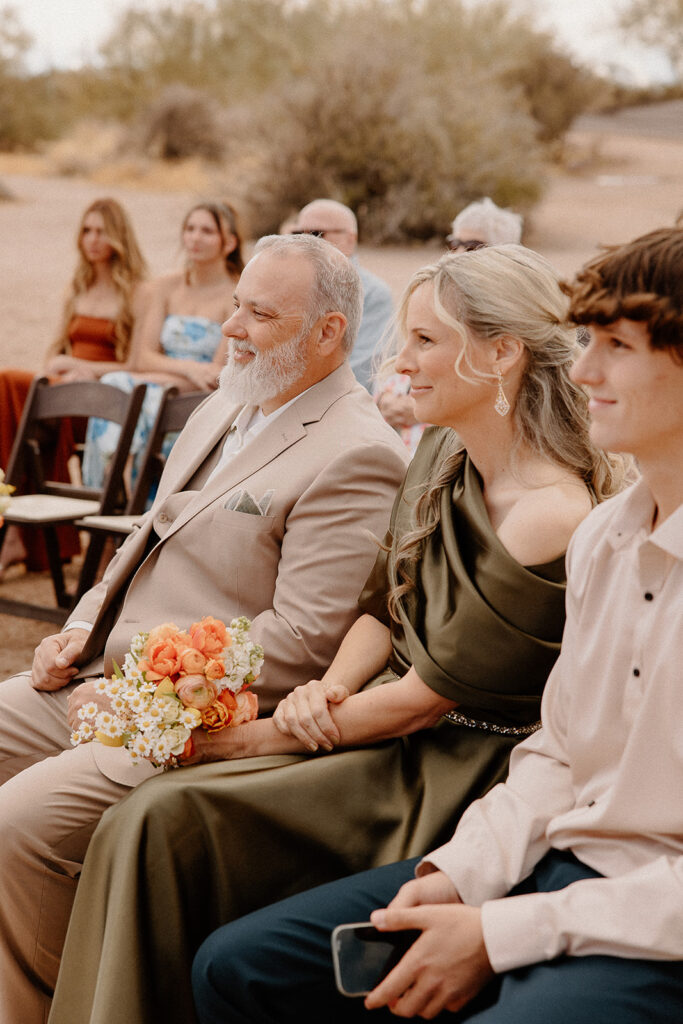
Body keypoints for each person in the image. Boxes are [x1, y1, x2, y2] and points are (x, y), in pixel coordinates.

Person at [48, 244, 626, 1024]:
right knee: (154, 811)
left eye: (425, 340)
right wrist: (330, 685)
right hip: (373, 718)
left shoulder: (548, 513)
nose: (397, 360)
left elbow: (426, 700)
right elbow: (377, 607)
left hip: (445, 766)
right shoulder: (439, 451)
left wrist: (246, 740)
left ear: (500, 355)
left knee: (160, 814)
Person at [190, 226, 683, 1024]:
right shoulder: (605, 539)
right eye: (585, 341)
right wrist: (459, 873)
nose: (583, 369)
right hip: (548, 855)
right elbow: (555, 756)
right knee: (236, 967)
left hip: (648, 920)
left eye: (617, 347)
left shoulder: (562, 517)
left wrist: (500, 930)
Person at [0, 232, 409, 1024]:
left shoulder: (359, 452)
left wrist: (122, 685)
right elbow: (141, 540)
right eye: (235, 306)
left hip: (188, 716)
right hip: (96, 673)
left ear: (330, 333)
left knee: (19, 825)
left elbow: (299, 640)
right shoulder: (228, 399)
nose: (231, 328)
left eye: (260, 313)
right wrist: (73, 633)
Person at [0, 197, 148, 576]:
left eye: (101, 231)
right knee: (19, 405)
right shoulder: (77, 287)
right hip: (66, 391)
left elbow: (136, 365)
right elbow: (59, 350)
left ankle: (13, 529)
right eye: (86, 230)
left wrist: (86, 369)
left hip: (105, 405)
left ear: (118, 236)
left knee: (7, 383)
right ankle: (15, 531)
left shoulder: (137, 291)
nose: (93, 239)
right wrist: (61, 369)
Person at [82, 200, 244, 488]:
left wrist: (191, 374)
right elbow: (144, 357)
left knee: (121, 385)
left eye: (207, 231)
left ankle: (113, 485)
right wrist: (190, 368)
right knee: (121, 388)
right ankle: (110, 486)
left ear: (229, 242)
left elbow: (216, 374)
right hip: (162, 384)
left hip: (199, 397)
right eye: (190, 228)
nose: (195, 237)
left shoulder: (237, 294)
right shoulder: (167, 286)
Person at [377, 198, 523, 455]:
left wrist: (423, 408)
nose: (458, 253)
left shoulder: (512, 312)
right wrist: (385, 398)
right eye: (455, 243)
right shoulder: (435, 296)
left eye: (473, 246)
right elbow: (403, 363)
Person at [293, 198, 394, 391]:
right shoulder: (286, 284)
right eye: (298, 234)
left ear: (351, 239)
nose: (306, 242)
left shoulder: (374, 294)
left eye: (316, 234)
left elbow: (364, 367)